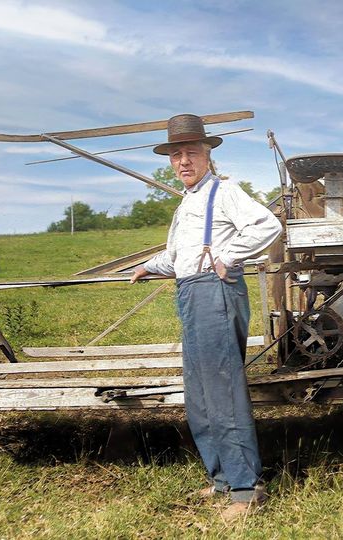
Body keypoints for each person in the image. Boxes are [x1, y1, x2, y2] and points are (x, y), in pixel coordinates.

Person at [129, 114, 282, 521]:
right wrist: (149, 265)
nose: (183, 161)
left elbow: (268, 225)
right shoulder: (186, 201)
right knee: (198, 395)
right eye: (176, 154)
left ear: (207, 155)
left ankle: (247, 490)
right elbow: (180, 255)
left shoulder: (226, 191)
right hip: (191, 294)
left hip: (216, 293)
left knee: (222, 392)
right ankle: (221, 480)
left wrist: (228, 256)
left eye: (191, 153)